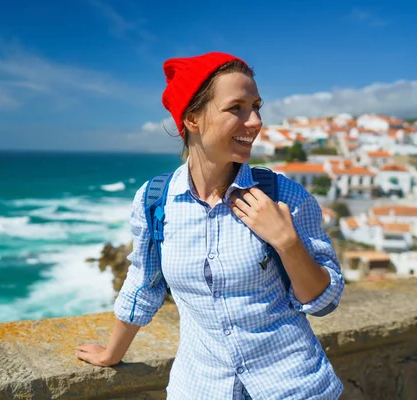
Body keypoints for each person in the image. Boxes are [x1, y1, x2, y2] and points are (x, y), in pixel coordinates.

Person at [77, 52, 345, 400]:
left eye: (257, 106)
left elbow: (324, 302)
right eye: (237, 108)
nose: (255, 121)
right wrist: (112, 354)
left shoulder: (282, 196)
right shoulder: (154, 200)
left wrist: (287, 243)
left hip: (294, 388)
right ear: (192, 119)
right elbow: (144, 284)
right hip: (200, 387)